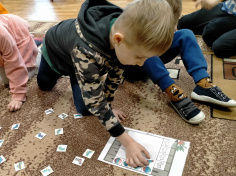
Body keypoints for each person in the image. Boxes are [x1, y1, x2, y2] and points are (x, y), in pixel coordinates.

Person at [37, 0, 176, 167]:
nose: (140, 64)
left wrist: (108, 106)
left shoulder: (125, 37)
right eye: (139, 57)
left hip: (83, 63)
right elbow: (95, 102)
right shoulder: (87, 50)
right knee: (44, 85)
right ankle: (38, 46)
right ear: (118, 40)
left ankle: (83, 75)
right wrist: (128, 142)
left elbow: (115, 77)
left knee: (84, 108)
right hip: (55, 55)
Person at [128, 0, 236, 124]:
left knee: (186, 34)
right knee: (145, 47)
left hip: (152, 50)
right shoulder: (134, 13)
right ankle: (173, 92)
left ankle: (203, 83)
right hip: (133, 63)